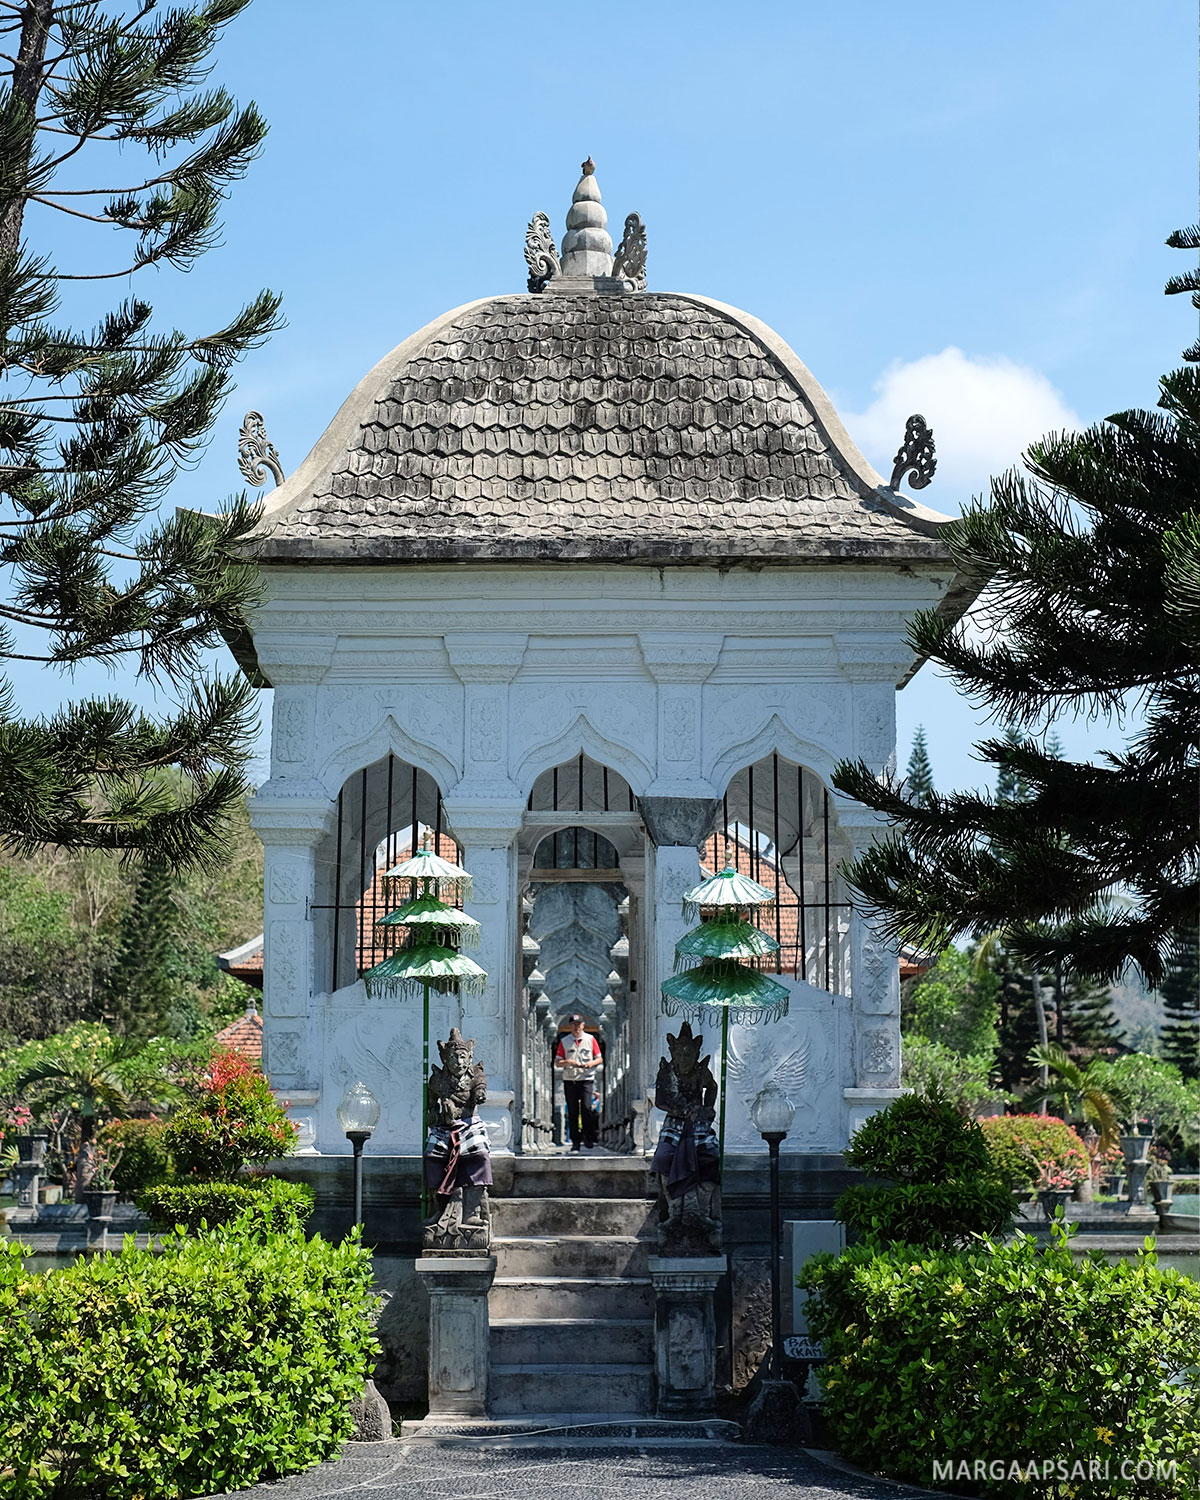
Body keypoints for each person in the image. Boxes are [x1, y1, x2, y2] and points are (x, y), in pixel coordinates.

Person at [555, 1014, 602, 1151]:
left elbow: (599, 1058)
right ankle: (575, 1141)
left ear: (583, 1025)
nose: (576, 1027)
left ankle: (588, 1136)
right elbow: (558, 1062)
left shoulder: (590, 1039)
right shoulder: (564, 1042)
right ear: (570, 1026)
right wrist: (569, 1062)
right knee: (573, 1110)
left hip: (586, 1078)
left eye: (579, 1024)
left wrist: (590, 1063)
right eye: (574, 1024)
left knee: (587, 1108)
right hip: (570, 1079)